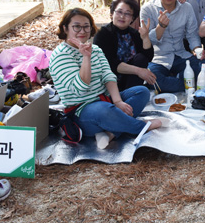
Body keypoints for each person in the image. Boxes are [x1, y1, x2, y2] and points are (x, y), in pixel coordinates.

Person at [49, 8, 162, 149]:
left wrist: (118, 101)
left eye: (86, 26)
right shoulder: (60, 55)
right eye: (77, 27)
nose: (82, 31)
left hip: (106, 101)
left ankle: (110, 133)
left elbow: (108, 76)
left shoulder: (95, 49)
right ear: (65, 28)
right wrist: (86, 57)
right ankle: (142, 126)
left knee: (142, 91)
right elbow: (80, 88)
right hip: (83, 113)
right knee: (103, 110)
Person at [140, 0, 205, 93]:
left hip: (181, 55)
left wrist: (196, 50)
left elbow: (192, 34)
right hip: (158, 58)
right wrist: (161, 26)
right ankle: (186, 81)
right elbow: (148, 42)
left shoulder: (186, 8)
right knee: (152, 79)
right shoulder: (148, 9)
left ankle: (179, 81)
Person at [93, 0, 156, 91]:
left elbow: (147, 58)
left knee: (141, 58)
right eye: (119, 12)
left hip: (129, 81)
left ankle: (131, 91)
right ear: (111, 14)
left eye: (127, 14)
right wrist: (139, 71)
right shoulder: (103, 34)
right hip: (108, 82)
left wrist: (145, 37)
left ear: (132, 18)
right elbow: (109, 63)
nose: (122, 16)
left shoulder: (134, 33)